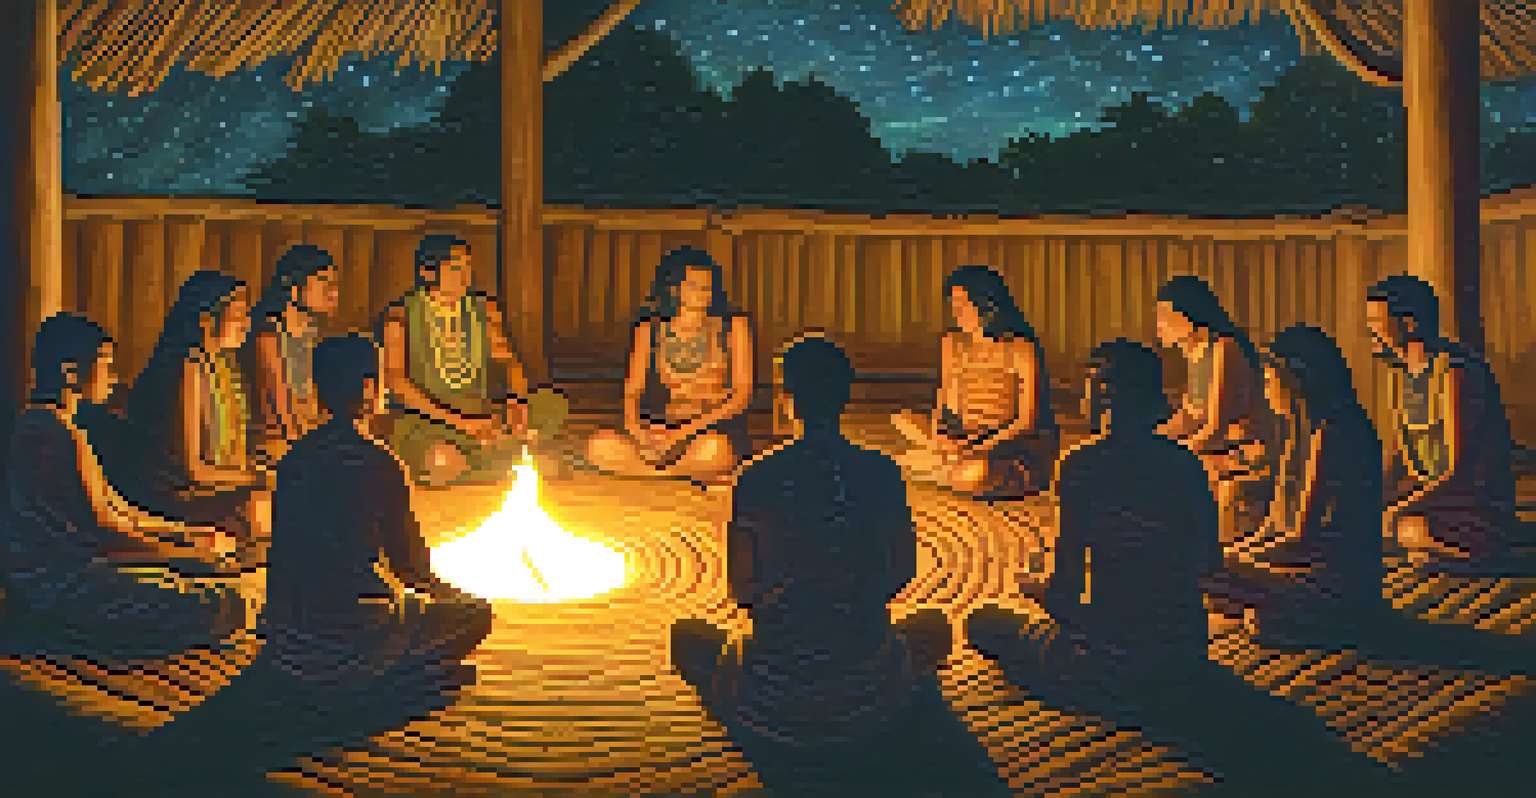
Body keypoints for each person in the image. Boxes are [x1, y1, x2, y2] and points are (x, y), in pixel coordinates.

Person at [966, 339, 1390, 797]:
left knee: (985, 621)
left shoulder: (1082, 468)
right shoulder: (1188, 468)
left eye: (1089, 390)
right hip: (1184, 657)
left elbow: (1067, 590)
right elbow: (1207, 564)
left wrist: (1045, 595)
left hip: (1110, 666)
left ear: (1103, 398)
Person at [95, 334, 495, 797]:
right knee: (474, 618)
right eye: (379, 380)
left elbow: (287, 557)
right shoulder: (379, 462)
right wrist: (462, 596)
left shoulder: (294, 461)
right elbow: (412, 572)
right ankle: (372, 690)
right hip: (357, 636)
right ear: (369, 389)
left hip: (292, 647)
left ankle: (340, 682)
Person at [670, 336, 1009, 797]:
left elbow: (744, 591)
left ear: (787, 401)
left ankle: (777, 744)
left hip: (777, 690)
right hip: (868, 684)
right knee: (932, 626)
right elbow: (900, 573)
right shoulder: (882, 472)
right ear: (846, 396)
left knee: (687, 638)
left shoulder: (756, 478)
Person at [1, 313, 245, 662]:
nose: (113, 378)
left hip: (88, 566)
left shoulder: (64, 429)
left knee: (217, 580)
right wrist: (181, 552)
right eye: (104, 365)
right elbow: (101, 528)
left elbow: (118, 508)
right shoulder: (47, 433)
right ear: (71, 372)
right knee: (220, 603)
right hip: (58, 584)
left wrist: (190, 533)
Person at [1202, 325, 1386, 649]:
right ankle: (1276, 613)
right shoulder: (1298, 431)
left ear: (1297, 382)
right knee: (1214, 577)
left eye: (1271, 379)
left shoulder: (1333, 433)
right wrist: (1238, 554)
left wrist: (1233, 562)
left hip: (1333, 578)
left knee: (1209, 577)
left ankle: (1319, 619)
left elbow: (1302, 538)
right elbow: (1274, 525)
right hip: (1300, 565)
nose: (1266, 389)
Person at [1367, 274, 1521, 574]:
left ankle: (1485, 559)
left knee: (1405, 529)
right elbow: (1398, 460)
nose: (1371, 330)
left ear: (1409, 323)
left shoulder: (1453, 373)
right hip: (1431, 501)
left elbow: (1458, 471)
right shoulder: (1399, 377)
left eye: (1376, 320)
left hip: (1472, 505)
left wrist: (1397, 510)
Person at [121, 270, 271, 570]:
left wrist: (256, 471)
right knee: (265, 508)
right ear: (206, 320)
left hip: (203, 486)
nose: (246, 324)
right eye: (237, 315)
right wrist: (257, 479)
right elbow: (193, 470)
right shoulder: (184, 367)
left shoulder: (220, 367)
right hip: (168, 496)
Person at [377, 233, 552, 487]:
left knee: (551, 404)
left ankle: (494, 451)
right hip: (428, 420)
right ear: (427, 273)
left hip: (480, 413)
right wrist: (460, 422)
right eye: (456, 268)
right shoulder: (401, 315)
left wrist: (518, 399)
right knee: (442, 459)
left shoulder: (485, 310)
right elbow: (397, 382)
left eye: (468, 268)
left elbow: (508, 361)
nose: (465, 276)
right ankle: (491, 459)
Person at [585, 246, 756, 488]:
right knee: (599, 446)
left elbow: (741, 396)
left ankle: (652, 473)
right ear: (675, 289)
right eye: (694, 286)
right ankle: (670, 474)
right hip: (663, 427)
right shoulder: (650, 329)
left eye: (707, 287)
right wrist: (636, 428)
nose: (703, 293)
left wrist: (685, 432)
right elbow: (632, 391)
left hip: (710, 430)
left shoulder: (733, 327)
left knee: (716, 450)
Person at [891, 264, 1058, 498]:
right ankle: (946, 464)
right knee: (902, 420)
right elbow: (944, 402)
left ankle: (946, 468)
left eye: (964, 305)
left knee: (972, 473)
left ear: (986, 305)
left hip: (1001, 443)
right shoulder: (952, 343)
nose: (957, 312)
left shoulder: (1020, 349)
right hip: (959, 438)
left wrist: (974, 448)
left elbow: (1025, 422)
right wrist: (943, 436)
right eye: (954, 305)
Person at [1155, 275, 1280, 545]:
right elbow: (1188, 416)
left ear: (1188, 315)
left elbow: (1216, 427)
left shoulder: (1224, 349)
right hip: (1219, 446)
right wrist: (1150, 438)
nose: (1159, 327)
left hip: (1246, 449)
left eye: (1165, 316)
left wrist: (1172, 453)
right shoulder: (1195, 353)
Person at [244, 243, 340, 466]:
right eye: (324, 284)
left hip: (307, 433)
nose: (333, 293)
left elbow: (315, 396)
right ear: (293, 287)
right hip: (274, 442)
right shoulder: (268, 335)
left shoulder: (310, 333)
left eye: (335, 285)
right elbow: (280, 407)